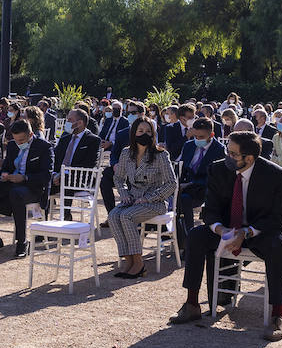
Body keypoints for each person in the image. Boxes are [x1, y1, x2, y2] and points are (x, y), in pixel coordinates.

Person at [169, 131, 282, 341]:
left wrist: (246, 232)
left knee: (277, 245)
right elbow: (210, 210)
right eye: (228, 151)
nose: (228, 156)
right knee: (196, 236)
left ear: (250, 158)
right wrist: (220, 229)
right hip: (227, 229)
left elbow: (278, 218)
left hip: (259, 230)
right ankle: (191, 304)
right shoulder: (218, 169)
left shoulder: (276, 176)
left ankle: (277, 315)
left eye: (233, 154)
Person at [107, 117, 178, 278]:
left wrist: (149, 198)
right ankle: (128, 260)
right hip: (132, 199)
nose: (144, 134)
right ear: (134, 134)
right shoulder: (126, 153)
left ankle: (138, 263)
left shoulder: (160, 155)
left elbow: (171, 184)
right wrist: (124, 194)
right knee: (112, 215)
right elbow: (118, 178)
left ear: (153, 134)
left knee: (125, 216)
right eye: (140, 131)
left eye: (148, 131)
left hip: (155, 202)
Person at [0, 119, 54, 258]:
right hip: (9, 185)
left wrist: (25, 178)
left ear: (31, 134)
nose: (19, 144)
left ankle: (22, 242)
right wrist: (4, 174)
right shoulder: (12, 145)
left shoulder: (44, 147)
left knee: (16, 194)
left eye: (22, 140)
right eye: (16, 140)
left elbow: (46, 175)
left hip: (32, 188)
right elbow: (7, 166)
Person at [175, 118, 225, 248]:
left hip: (206, 189)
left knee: (183, 200)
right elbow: (182, 167)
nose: (197, 139)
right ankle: (183, 238)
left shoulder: (219, 149)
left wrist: (190, 184)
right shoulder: (189, 145)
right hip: (186, 188)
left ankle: (188, 240)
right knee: (177, 200)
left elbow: (216, 176)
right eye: (195, 136)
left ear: (212, 135)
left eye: (201, 137)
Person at [51, 108, 101, 189]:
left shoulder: (93, 140)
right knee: (42, 181)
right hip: (59, 176)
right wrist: (54, 174)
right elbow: (56, 157)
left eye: (70, 120)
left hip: (78, 178)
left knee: (64, 182)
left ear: (80, 123)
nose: (67, 122)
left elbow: (89, 164)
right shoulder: (65, 137)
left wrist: (64, 174)